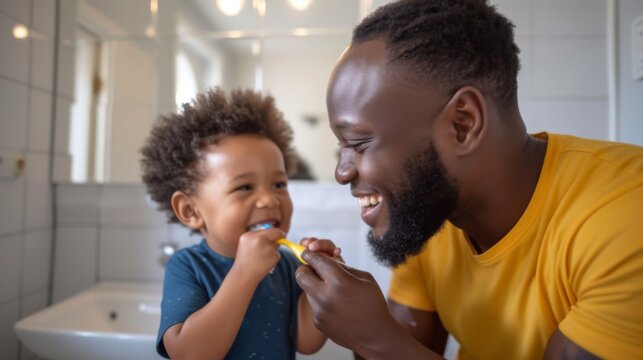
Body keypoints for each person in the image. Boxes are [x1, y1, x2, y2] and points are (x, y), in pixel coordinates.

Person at [294, 0, 643, 359]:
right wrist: (359, 323)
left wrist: (376, 339)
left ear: (463, 123)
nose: (342, 172)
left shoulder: (626, 219)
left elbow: (391, 348)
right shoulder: (430, 210)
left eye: (358, 143)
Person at [140, 88, 340, 359]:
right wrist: (244, 273)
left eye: (278, 184)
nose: (269, 200)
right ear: (190, 210)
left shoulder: (287, 265)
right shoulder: (188, 267)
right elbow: (188, 354)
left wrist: (320, 284)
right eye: (245, 187)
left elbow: (307, 342)